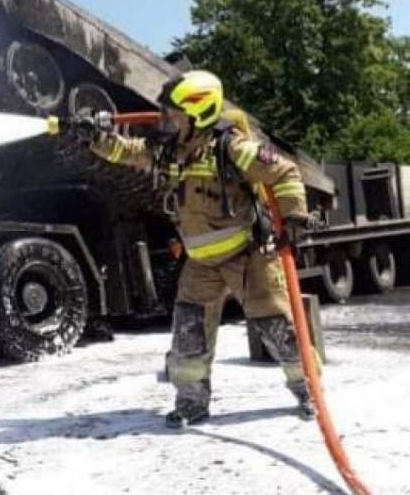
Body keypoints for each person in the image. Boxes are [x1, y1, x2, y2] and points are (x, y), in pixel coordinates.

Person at [84, 70, 319, 428]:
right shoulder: (170, 152)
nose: (166, 120)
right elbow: (130, 151)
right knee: (188, 331)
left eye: (174, 113)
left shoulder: (232, 147)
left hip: (247, 256)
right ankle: (192, 402)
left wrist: (295, 218)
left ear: (198, 113)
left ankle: (308, 392)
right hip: (201, 263)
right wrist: (97, 138)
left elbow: (284, 172)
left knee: (278, 328)